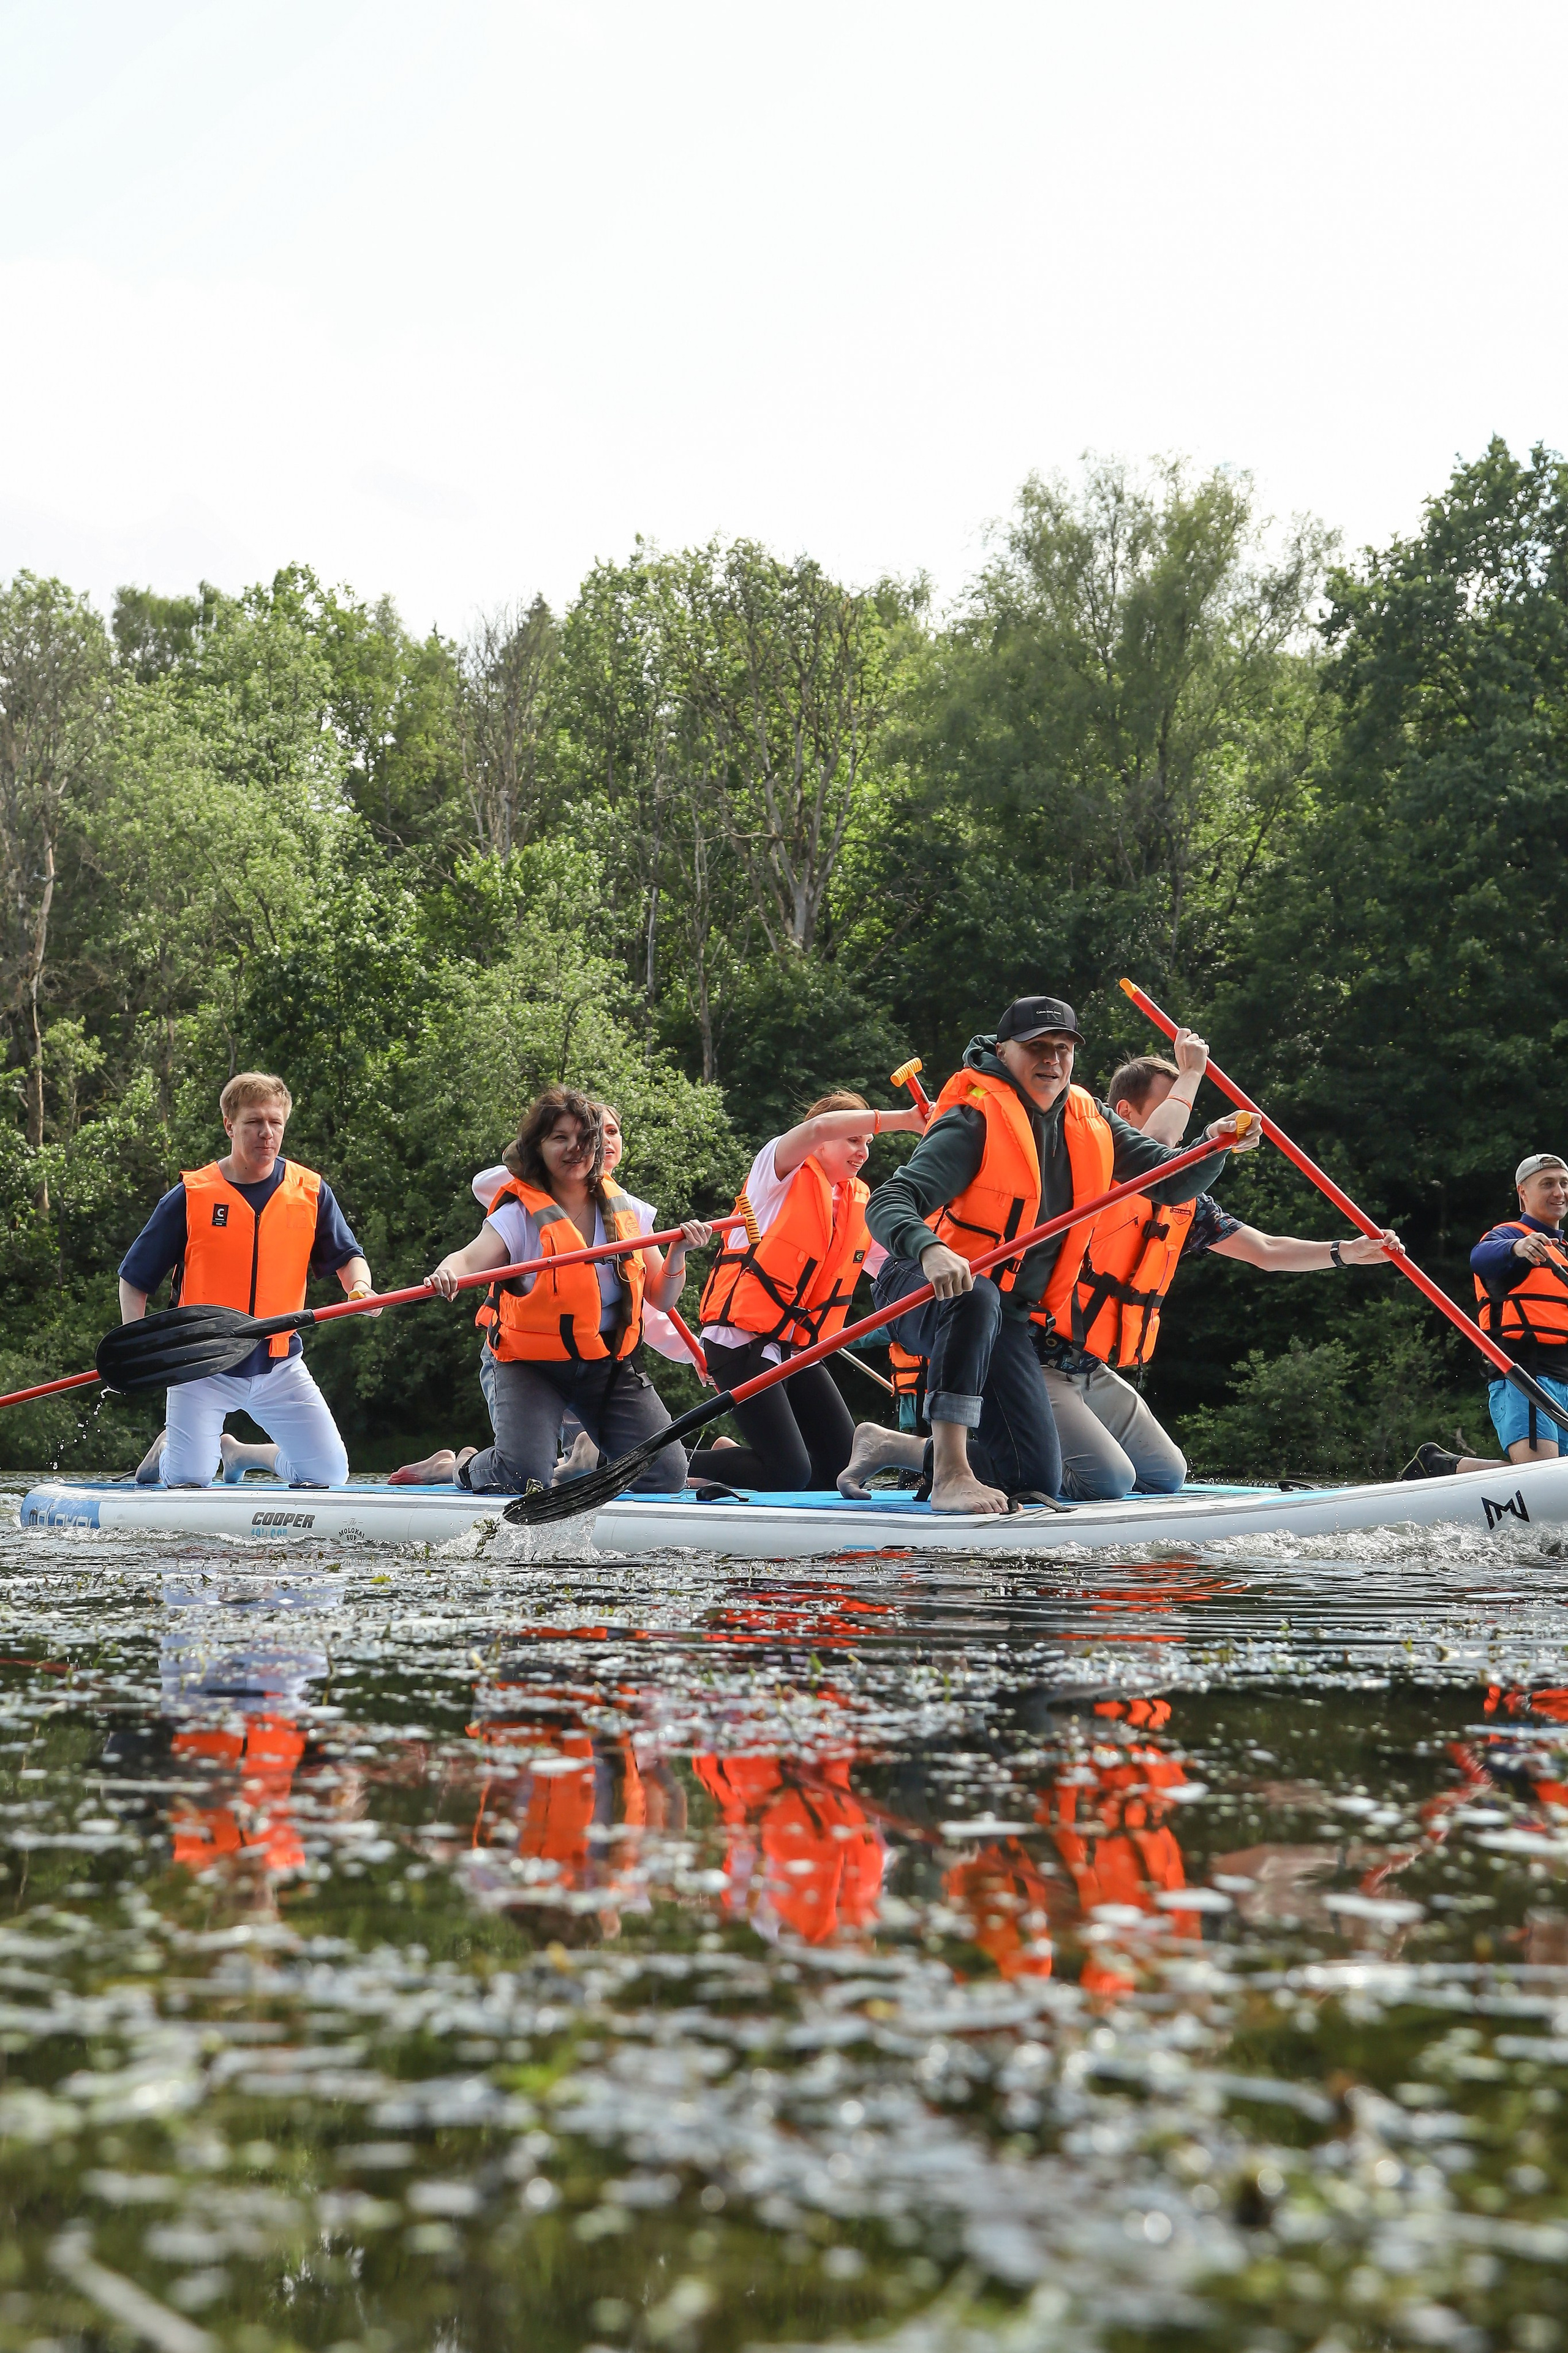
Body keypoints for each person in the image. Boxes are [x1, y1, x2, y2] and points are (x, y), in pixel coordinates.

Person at [837, 995, 1254, 1514]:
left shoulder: (1091, 1117)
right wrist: (930, 1249)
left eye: (1063, 1048)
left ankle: (890, 1446)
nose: (1052, 1060)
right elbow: (888, 1200)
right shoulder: (975, 1118)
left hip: (1005, 1315)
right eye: (1037, 1047)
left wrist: (1214, 1145)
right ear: (1005, 1051)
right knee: (976, 1294)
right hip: (923, 1284)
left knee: (1035, 1477)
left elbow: (1167, 1182)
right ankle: (949, 1472)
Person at [1041, 1039, 1398, 1497]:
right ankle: (995, 1456)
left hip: (1088, 1366)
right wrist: (1194, 1086)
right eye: (1174, 1104)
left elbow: (1266, 1250)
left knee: (1166, 1474)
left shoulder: (1185, 1206)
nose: (1182, 1116)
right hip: (1036, 1360)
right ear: (1125, 1113)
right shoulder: (1093, 1164)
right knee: (1110, 1480)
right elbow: (1159, 1148)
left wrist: (1346, 1250)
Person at [412, 1086, 710, 1494]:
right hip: (531, 1365)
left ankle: (585, 1472)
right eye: (560, 1138)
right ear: (539, 1147)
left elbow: (662, 1297)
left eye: (585, 1139)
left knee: (665, 1474)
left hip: (606, 1365)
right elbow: (466, 1259)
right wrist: (445, 1272)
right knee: (524, 1478)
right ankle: (460, 1465)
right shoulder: (518, 1213)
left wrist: (678, 1254)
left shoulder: (631, 1211)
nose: (575, 1148)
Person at [118, 1071, 374, 1488]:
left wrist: (360, 1288)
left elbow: (349, 1258)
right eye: (255, 1122)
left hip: (279, 1364)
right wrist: (137, 1341)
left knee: (328, 1474)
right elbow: (135, 1278)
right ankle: (167, 1452)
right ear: (229, 1125)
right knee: (189, 1480)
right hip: (200, 1366)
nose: (266, 1133)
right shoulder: (192, 1194)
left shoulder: (310, 1191)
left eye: (275, 1122)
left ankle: (246, 1454)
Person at [686, 1092, 925, 1492]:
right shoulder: (776, 1173)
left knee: (840, 1469)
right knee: (789, 1473)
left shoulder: (859, 1203)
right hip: (739, 1342)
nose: (863, 1150)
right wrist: (907, 1119)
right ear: (824, 1139)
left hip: (798, 1352)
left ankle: (734, 1458)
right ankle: (653, 1461)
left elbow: (897, 1269)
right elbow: (815, 1127)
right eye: (854, 1139)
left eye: (868, 1142)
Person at [1404, 1152, 1568, 1479]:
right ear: (1523, 1192)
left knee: (1551, 1478)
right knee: (1541, 1475)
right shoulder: (1506, 1237)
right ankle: (1441, 1467)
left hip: (1564, 1373)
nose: (1559, 1192)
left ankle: (1443, 1466)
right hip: (1525, 1372)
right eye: (1547, 1184)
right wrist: (1518, 1248)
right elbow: (1482, 1259)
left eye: (1564, 1184)